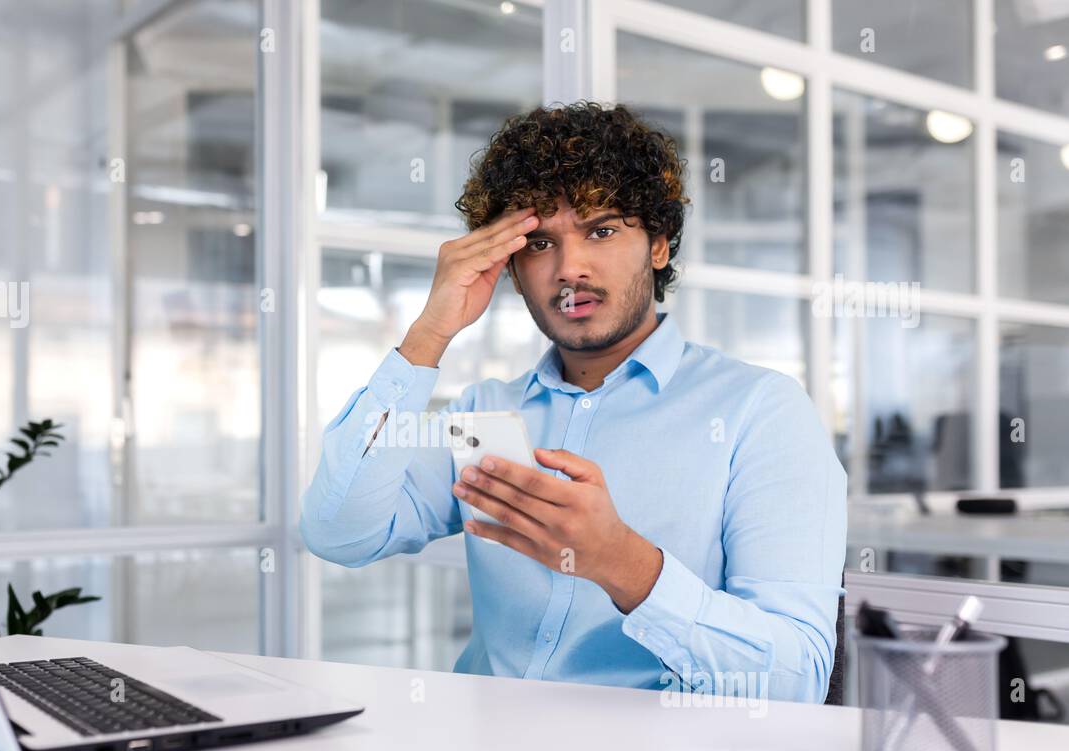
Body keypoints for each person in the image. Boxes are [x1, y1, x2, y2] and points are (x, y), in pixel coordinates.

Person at [300, 101, 847, 703]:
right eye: (538, 243)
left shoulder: (760, 412)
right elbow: (338, 533)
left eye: (603, 230)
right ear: (509, 266)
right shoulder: (485, 416)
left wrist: (624, 564)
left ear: (659, 247)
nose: (570, 268)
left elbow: (798, 679)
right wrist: (428, 335)